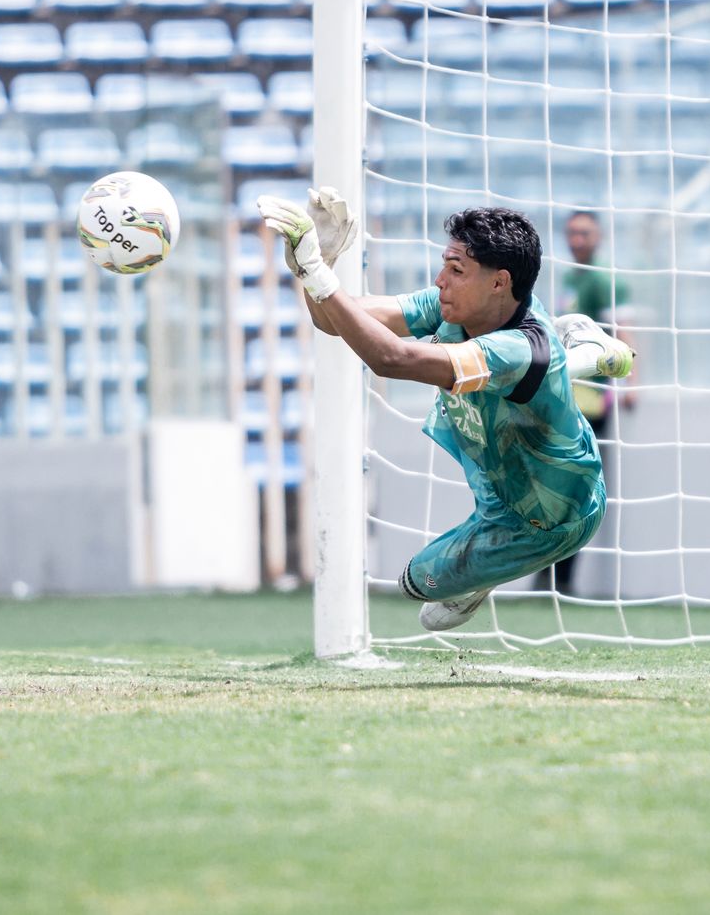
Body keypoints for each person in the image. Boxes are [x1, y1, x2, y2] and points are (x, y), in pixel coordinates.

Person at [256, 188, 634, 632]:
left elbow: (392, 359)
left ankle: (575, 354)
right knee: (527, 379)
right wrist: (320, 267)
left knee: (418, 585)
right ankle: (579, 352)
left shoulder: (516, 349)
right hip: (500, 486)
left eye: (456, 270)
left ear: (499, 282)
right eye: (445, 265)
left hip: (551, 517)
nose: (440, 280)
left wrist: (318, 273)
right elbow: (335, 320)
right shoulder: (454, 306)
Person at [535, 209, 636, 595]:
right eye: (572, 232)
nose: (577, 239)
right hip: (566, 397)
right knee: (552, 485)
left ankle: (562, 580)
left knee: (576, 490)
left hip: (594, 401)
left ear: (599, 236)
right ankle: (547, 571)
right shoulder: (572, 277)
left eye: (585, 233)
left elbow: (625, 332)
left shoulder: (604, 280)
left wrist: (629, 387)